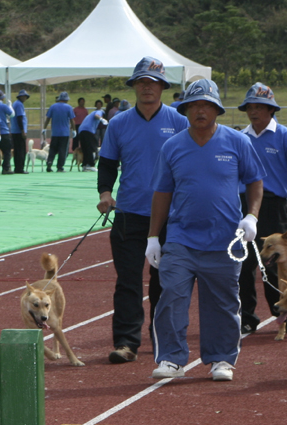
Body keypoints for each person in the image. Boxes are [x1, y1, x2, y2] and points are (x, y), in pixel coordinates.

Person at [148, 78, 264, 382]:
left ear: (216, 109)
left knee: (223, 303)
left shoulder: (238, 142)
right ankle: (172, 358)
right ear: (186, 109)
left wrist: (251, 217)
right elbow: (162, 193)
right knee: (171, 295)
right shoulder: (172, 146)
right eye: (194, 105)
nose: (200, 110)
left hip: (225, 241)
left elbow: (255, 181)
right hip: (181, 239)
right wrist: (152, 237)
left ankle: (222, 359)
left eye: (206, 105)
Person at [97, 57, 189, 364]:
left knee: (165, 280)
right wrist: (105, 193)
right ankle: (126, 342)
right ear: (135, 87)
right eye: (141, 83)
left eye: (153, 83)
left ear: (163, 87)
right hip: (129, 214)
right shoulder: (119, 124)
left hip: (170, 217)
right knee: (127, 280)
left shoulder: (179, 121)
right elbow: (108, 163)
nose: (147, 88)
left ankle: (162, 339)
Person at [237, 82, 287, 334]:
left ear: (271, 110)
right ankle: (247, 318)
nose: (254, 112)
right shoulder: (239, 138)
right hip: (245, 206)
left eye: (259, 107)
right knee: (244, 264)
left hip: (275, 206)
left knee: (280, 265)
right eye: (250, 107)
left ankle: (285, 315)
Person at [43, 91, 75, 172]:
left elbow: (47, 119)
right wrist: (74, 130)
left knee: (53, 149)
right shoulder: (68, 107)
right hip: (64, 133)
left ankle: (49, 163)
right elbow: (72, 120)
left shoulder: (53, 106)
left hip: (55, 133)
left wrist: (44, 128)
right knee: (62, 150)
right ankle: (60, 167)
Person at [0, 89, 15, 175]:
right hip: (4, 131)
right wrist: (10, 105)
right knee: (7, 151)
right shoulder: (4, 106)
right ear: (3, 97)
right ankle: (6, 168)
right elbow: (12, 114)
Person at [76, 107, 105, 172]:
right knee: (92, 148)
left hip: (81, 131)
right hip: (88, 131)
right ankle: (91, 165)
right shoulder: (99, 112)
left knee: (85, 148)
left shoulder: (90, 115)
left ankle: (85, 165)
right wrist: (102, 119)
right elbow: (97, 115)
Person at [11, 89, 29, 174]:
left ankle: (17, 167)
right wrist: (23, 131)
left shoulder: (16, 103)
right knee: (21, 151)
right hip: (18, 131)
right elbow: (20, 118)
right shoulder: (19, 105)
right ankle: (20, 168)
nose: (25, 98)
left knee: (17, 150)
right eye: (24, 96)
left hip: (15, 131)